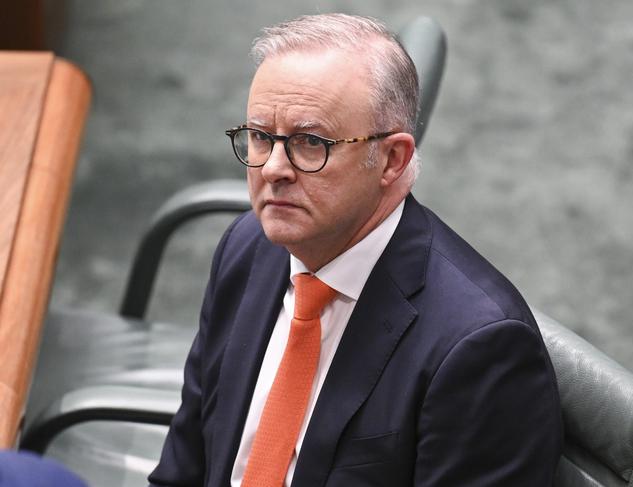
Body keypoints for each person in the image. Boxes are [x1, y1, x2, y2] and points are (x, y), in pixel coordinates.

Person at [149, 13, 562, 487]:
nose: (272, 169)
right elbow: (184, 469)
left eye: (310, 143)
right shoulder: (248, 249)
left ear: (392, 159)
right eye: (261, 137)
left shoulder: (479, 350)